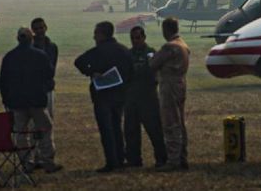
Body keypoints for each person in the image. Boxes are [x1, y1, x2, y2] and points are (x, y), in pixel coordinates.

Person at [74, 21, 133, 173]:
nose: (94, 37)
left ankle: (111, 162)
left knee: (106, 130)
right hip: (120, 95)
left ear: (101, 34)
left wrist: (91, 72)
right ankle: (120, 158)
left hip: (102, 95)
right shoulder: (124, 50)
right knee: (117, 127)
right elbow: (131, 72)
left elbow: (78, 62)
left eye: (96, 33)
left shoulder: (98, 51)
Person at [0, 27, 61, 174]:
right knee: (45, 128)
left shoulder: (9, 56)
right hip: (36, 101)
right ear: (31, 38)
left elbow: (3, 81)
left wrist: (6, 99)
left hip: (16, 103)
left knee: (21, 133)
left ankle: (27, 163)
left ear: (17, 39)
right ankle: (48, 161)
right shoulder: (40, 55)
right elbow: (49, 74)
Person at [124, 26, 168, 168]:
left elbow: (152, 73)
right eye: (132, 38)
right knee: (131, 130)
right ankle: (133, 159)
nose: (135, 41)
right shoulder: (128, 54)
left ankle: (161, 158)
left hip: (147, 97)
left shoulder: (150, 53)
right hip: (131, 97)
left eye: (137, 38)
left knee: (154, 130)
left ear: (144, 37)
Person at [150, 17, 190, 172]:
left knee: (170, 122)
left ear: (165, 30)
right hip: (181, 83)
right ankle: (182, 157)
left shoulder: (169, 47)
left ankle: (173, 160)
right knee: (180, 122)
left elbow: (153, 64)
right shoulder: (183, 44)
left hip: (169, 85)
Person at [28, 17, 61, 171]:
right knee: (34, 125)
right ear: (33, 30)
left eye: (42, 27)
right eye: (37, 28)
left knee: (48, 122)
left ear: (46, 27)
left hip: (47, 89)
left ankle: (43, 156)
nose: (40, 31)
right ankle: (34, 157)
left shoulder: (52, 46)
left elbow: (51, 69)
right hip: (34, 90)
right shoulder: (30, 47)